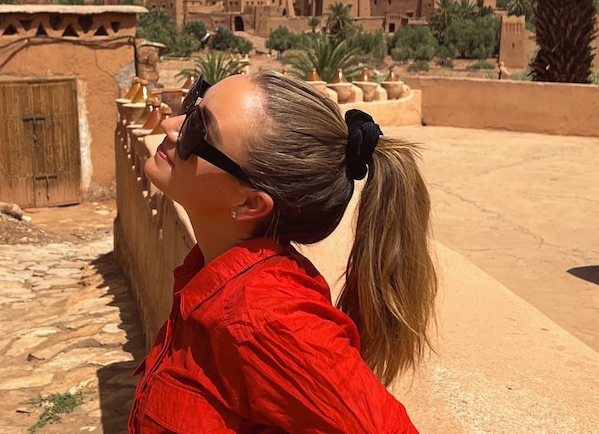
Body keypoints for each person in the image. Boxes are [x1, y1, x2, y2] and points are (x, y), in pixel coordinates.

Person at [130, 70, 438, 433]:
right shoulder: (211, 274)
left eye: (198, 129)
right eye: (194, 102)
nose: (170, 124)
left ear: (249, 204)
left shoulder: (263, 316)